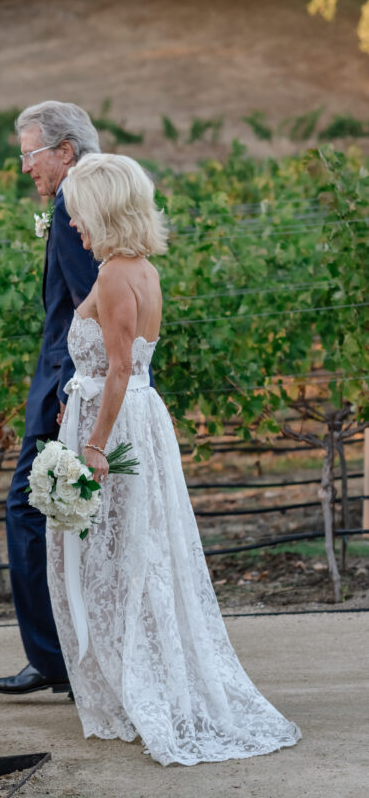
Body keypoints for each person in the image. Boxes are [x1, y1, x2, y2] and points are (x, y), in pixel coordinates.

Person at [48, 153, 301, 764]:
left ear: (103, 211)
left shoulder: (112, 278)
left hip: (118, 426)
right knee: (137, 553)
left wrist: (91, 444)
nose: (74, 226)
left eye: (80, 214)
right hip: (135, 416)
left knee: (114, 561)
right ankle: (140, 683)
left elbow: (118, 369)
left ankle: (139, 688)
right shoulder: (142, 269)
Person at [0, 101, 100, 696]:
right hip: (74, 380)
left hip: (66, 382)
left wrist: (68, 395)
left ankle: (53, 659)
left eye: (31, 155)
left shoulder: (73, 207)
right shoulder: (96, 195)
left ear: (64, 151)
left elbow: (91, 306)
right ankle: (79, 650)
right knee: (76, 513)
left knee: (26, 508)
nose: (26, 168)